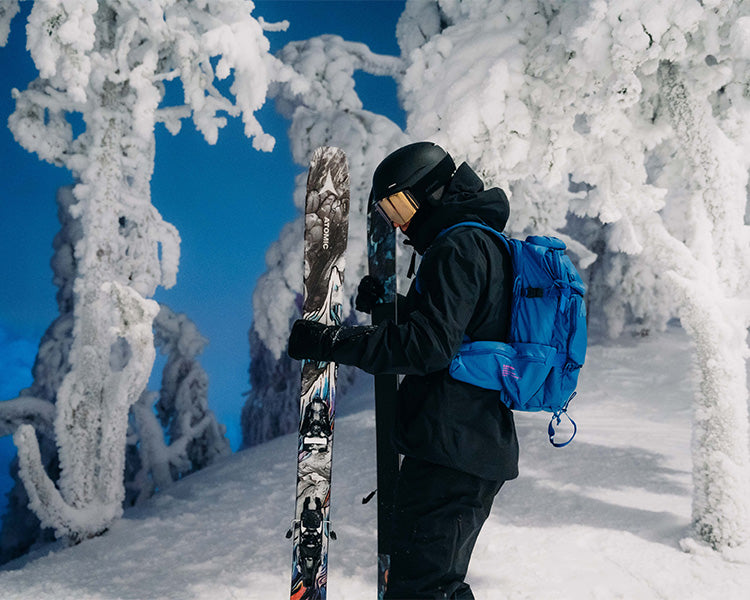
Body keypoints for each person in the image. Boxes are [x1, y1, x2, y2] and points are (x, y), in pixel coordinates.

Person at [288, 141, 518, 599]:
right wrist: (392, 306)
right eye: (389, 211)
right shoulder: (479, 242)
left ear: (431, 192)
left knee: (422, 592)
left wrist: (331, 342)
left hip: (453, 451)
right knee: (430, 589)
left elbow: (428, 347)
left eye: (400, 206)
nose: (397, 223)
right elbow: (463, 330)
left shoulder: (459, 245)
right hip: (463, 446)